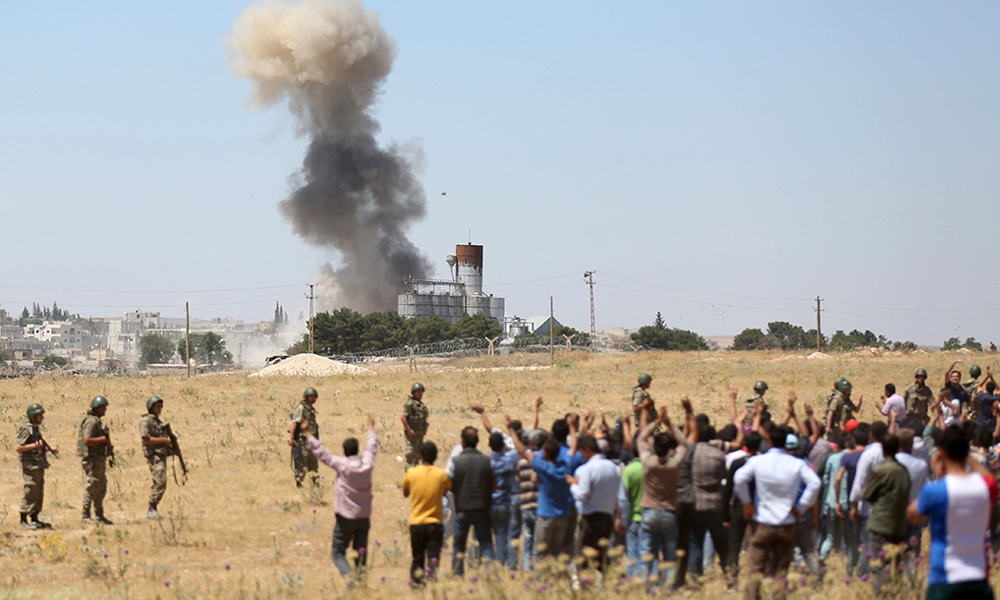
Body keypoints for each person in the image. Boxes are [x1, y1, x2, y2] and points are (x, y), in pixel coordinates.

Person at [907, 425, 999, 600]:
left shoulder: (935, 490)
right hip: (978, 577)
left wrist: (938, 477)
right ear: (967, 451)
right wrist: (968, 456)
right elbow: (991, 479)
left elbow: (914, 514)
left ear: (941, 452)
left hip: (944, 579)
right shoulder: (985, 487)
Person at [735, 425, 821, 600]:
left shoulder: (758, 461)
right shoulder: (797, 463)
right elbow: (815, 484)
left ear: (770, 441)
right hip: (787, 524)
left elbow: (739, 478)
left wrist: (747, 504)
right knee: (781, 571)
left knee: (755, 571)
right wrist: (801, 507)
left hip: (763, 523)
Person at [304, 414, 377, 579]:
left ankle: (350, 579)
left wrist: (308, 433)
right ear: (357, 450)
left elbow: (323, 454)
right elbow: (372, 448)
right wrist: (371, 429)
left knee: (337, 553)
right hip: (364, 516)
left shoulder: (342, 464)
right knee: (361, 554)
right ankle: (361, 583)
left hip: (346, 517)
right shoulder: (367, 463)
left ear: (344, 451)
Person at [638, 405, 690, 586]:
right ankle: (668, 591)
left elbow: (641, 438)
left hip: (649, 512)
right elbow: (684, 444)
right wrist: (670, 423)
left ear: (654, 447)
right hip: (668, 512)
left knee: (646, 554)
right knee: (669, 557)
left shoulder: (648, 462)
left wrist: (657, 422)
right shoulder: (674, 464)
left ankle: (645, 589)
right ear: (669, 448)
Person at [861, 434, 910, 596]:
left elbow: (868, 495)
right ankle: (895, 593)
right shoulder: (903, 471)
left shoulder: (880, 470)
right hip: (899, 525)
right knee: (896, 564)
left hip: (880, 523)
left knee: (878, 564)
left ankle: (882, 595)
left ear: (883, 450)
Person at [568, 435, 621, 572]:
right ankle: (605, 585)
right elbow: (619, 495)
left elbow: (583, 495)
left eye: (581, 452)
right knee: (602, 556)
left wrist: (574, 485)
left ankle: (586, 587)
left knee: (584, 558)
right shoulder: (613, 467)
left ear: (586, 449)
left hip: (590, 519)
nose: (581, 456)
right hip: (607, 518)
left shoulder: (588, 469)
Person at [403, 441, 451, 584]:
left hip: (417, 523)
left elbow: (405, 493)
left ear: (420, 456)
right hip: (435, 523)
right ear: (436, 456)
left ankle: (417, 585)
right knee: (433, 557)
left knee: (417, 557)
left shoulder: (412, 473)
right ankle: (432, 582)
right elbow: (446, 492)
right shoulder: (441, 475)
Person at [451, 426, 495, 575]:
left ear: (462, 441)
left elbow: (450, 484)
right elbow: (494, 484)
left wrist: (458, 493)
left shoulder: (457, 461)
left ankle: (457, 575)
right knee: (486, 544)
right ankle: (490, 574)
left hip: (462, 508)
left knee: (458, 546)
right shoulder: (486, 460)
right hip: (482, 507)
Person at [849, 421, 888, 577]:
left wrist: (854, 505)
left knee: (866, 543)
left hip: (868, 508)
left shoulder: (868, 454)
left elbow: (859, 483)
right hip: (887, 508)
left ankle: (864, 575)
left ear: (871, 436)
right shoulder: (890, 452)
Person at [724, 430, 762, 579]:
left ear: (744, 445)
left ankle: (731, 579)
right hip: (758, 508)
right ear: (759, 445)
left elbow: (727, 490)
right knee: (758, 545)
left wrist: (725, 514)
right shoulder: (762, 462)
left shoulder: (737, 463)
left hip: (739, 506)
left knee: (734, 546)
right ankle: (756, 577)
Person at [16, 404, 57, 530]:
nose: (42, 417)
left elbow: (40, 444)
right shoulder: (26, 429)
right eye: (40, 415)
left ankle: (35, 517)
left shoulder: (35, 430)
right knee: (30, 490)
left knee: (38, 492)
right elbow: (19, 447)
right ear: (33, 416)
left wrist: (51, 449)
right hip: (30, 466)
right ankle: (23, 519)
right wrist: (35, 445)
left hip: (38, 465)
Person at [78, 396, 114, 525]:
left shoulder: (97, 421)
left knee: (101, 487)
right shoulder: (91, 422)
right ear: (97, 408)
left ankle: (99, 515)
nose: (105, 410)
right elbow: (87, 440)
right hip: (92, 460)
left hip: (99, 459)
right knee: (92, 486)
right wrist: (103, 439)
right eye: (103, 407)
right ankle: (85, 514)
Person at [139, 396, 176, 519]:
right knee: (160, 481)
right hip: (154, 455)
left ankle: (153, 508)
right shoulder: (146, 421)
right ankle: (151, 509)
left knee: (162, 481)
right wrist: (164, 441)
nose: (160, 408)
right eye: (157, 406)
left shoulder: (158, 422)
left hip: (161, 454)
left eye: (161, 406)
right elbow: (147, 439)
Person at [487, 431, 518, 568]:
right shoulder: (510, 462)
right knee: (502, 537)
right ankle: (499, 566)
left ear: (489, 445)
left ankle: (487, 565)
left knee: (486, 537)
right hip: (505, 502)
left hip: (488, 503)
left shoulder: (486, 461)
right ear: (503, 445)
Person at [289, 387, 320, 489]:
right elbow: (294, 423)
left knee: (313, 463)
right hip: (302, 441)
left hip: (312, 441)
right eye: (311, 396)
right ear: (306, 397)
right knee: (302, 462)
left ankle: (316, 483)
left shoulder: (311, 409)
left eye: (314, 396)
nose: (313, 398)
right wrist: (292, 439)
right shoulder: (301, 408)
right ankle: (299, 483)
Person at [402, 383, 430, 469]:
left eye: (421, 391)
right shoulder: (410, 404)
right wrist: (409, 430)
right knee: (410, 454)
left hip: (420, 434)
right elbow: (403, 418)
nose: (420, 393)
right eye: (418, 391)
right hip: (412, 435)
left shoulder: (421, 405)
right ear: (413, 392)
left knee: (418, 455)